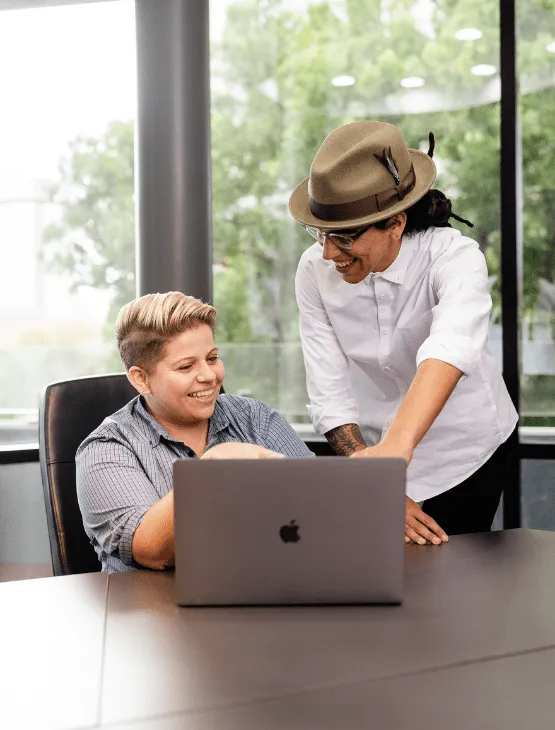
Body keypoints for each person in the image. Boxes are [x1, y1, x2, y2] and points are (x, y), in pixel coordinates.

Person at [289, 120, 518, 545]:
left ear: (394, 222)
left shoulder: (454, 258)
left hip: (465, 451)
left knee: (454, 578)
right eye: (320, 234)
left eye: (343, 238)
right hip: (374, 453)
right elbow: (329, 389)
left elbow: (448, 349)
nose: (327, 252)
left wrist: (395, 452)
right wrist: (374, 472)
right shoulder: (313, 271)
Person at [76, 292, 313, 572]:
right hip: (154, 611)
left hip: (261, 596)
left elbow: (320, 503)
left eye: (212, 358)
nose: (209, 376)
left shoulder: (254, 418)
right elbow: (150, 550)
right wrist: (212, 467)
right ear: (142, 379)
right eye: (186, 366)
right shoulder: (107, 447)